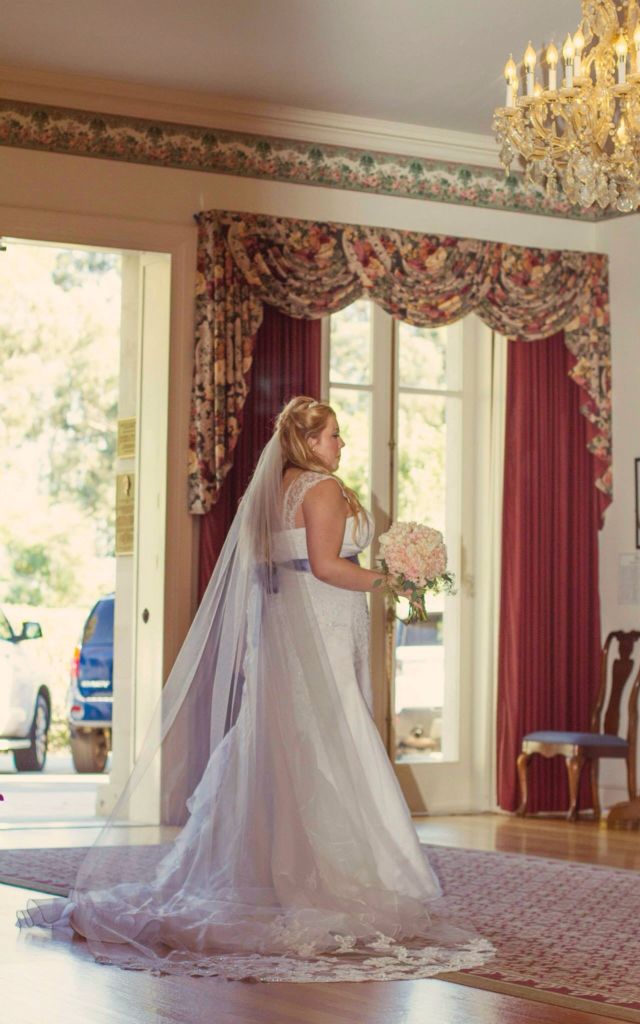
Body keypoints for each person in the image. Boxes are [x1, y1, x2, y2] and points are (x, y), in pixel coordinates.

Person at [19, 396, 492, 982]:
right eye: (334, 436)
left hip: (295, 623)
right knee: (331, 739)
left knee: (290, 742)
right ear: (308, 441)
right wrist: (390, 580)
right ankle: (332, 880)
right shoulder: (320, 488)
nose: (341, 445)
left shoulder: (275, 488)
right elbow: (324, 565)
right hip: (319, 620)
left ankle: (273, 873)